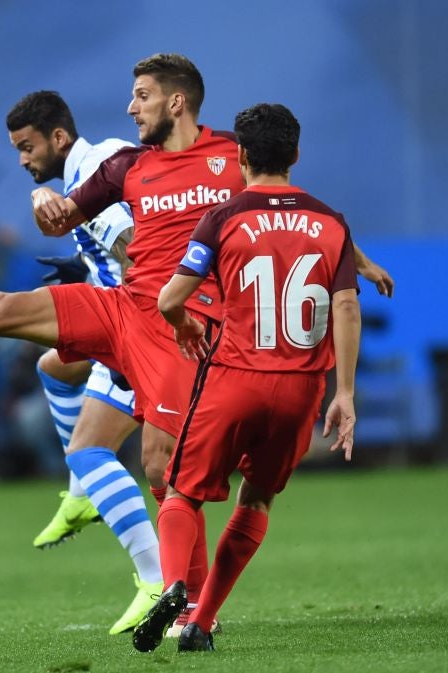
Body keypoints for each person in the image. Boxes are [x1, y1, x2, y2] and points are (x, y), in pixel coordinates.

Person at [0, 54, 390, 634]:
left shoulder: (228, 156)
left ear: (176, 102)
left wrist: (355, 259)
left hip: (181, 329)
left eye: (142, 95)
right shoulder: (127, 167)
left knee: (163, 469)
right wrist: (46, 205)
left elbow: (290, 208)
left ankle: (186, 609)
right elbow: (64, 216)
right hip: (121, 308)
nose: (131, 107)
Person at [132, 102, 362, 653]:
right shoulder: (331, 221)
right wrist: (346, 394)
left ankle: (172, 590)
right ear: (296, 155)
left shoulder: (225, 216)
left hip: (235, 378)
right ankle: (201, 623)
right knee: (256, 500)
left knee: (182, 493)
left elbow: (170, 298)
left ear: (239, 155)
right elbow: (347, 308)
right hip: (302, 388)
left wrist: (184, 324)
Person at [6, 90, 158, 634]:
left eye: (27, 147)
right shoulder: (83, 176)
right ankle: (81, 496)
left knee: (95, 452)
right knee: (53, 366)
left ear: (59, 138)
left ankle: (155, 580)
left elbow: (138, 249)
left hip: (139, 331)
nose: (23, 160)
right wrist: (84, 265)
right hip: (126, 322)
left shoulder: (95, 170)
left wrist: (137, 334)